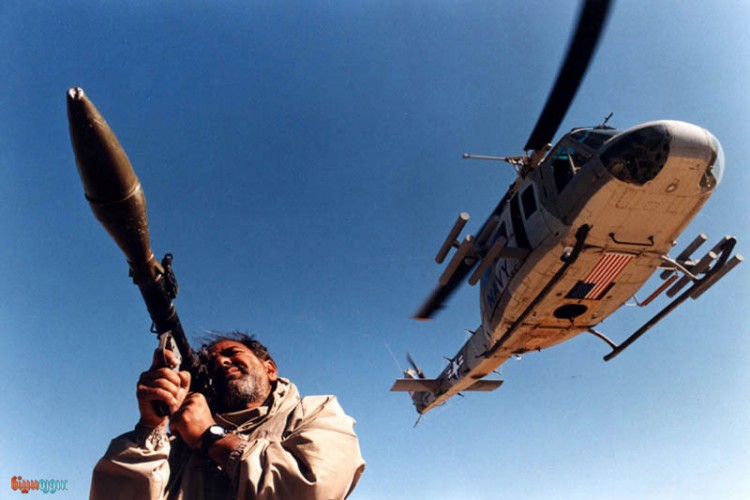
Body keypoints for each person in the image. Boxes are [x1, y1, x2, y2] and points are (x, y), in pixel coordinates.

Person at [90, 332, 365, 499]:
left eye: (232, 353)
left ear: (270, 369)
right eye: (212, 363)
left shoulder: (315, 411)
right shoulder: (177, 444)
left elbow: (311, 488)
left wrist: (211, 436)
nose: (221, 361)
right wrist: (150, 429)